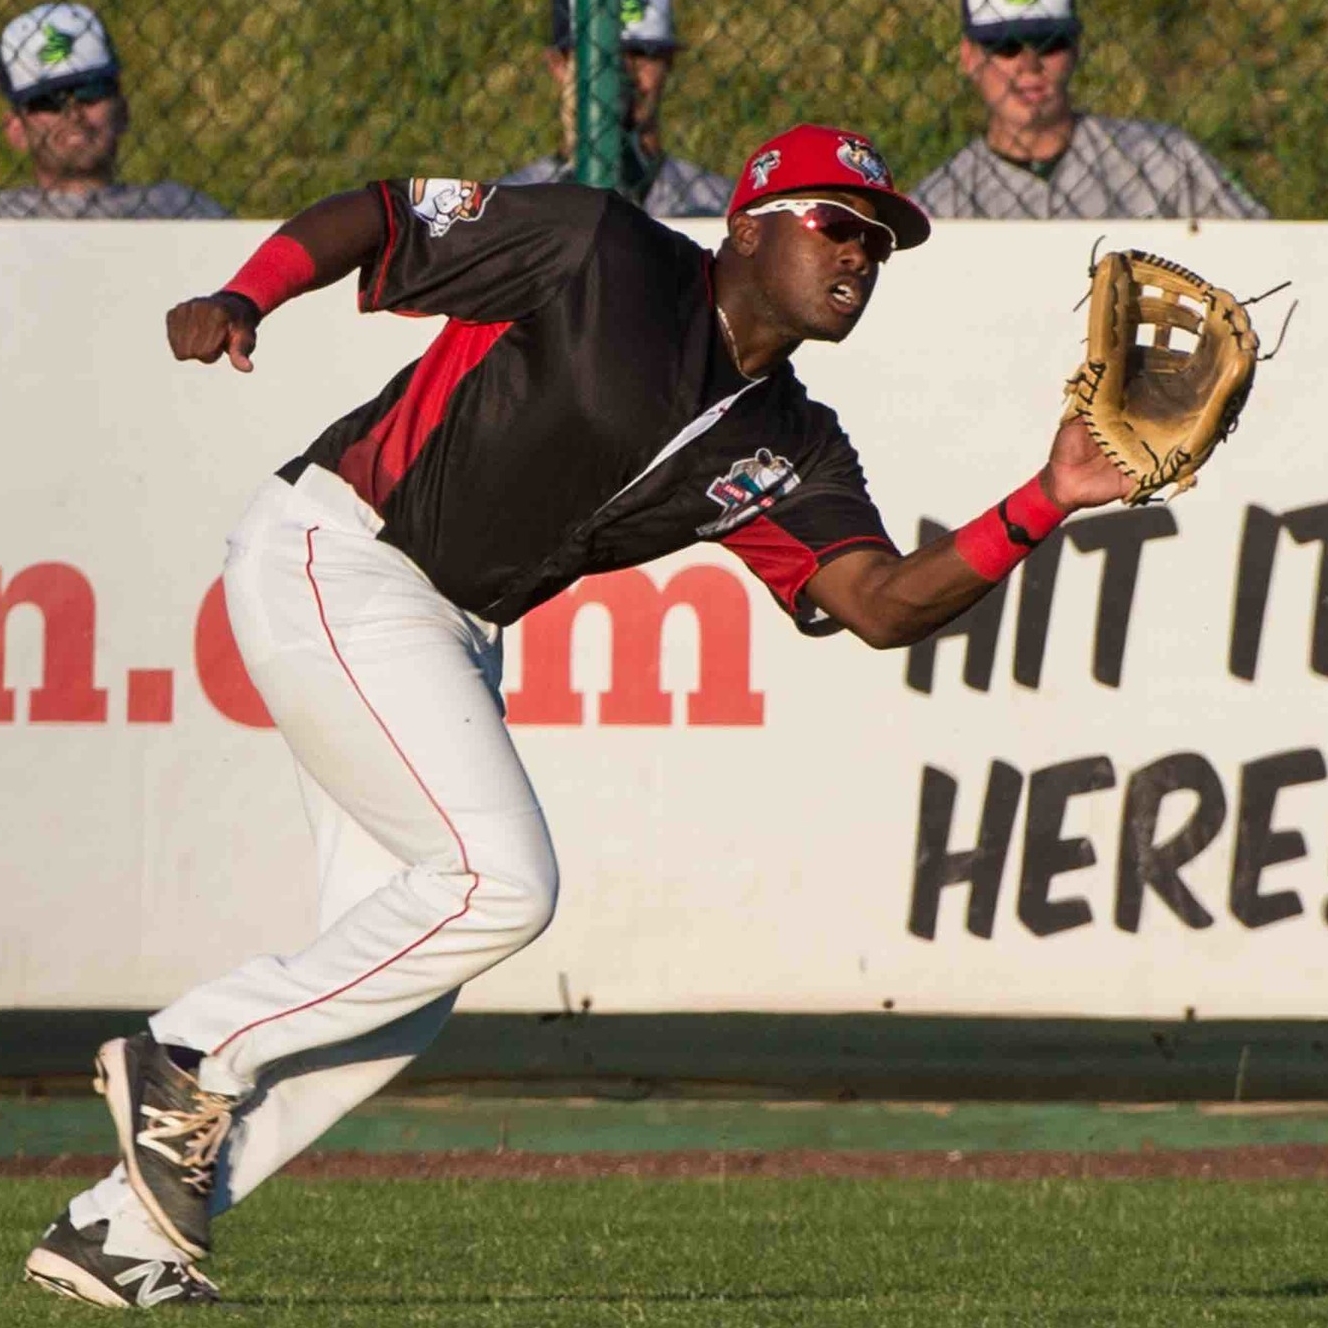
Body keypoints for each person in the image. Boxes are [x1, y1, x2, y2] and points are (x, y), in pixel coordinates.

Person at [23, 121, 1130, 1308]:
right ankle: (186, 1050)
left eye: (879, 241)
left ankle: (116, 1229)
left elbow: (878, 600)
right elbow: (385, 214)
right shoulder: (604, 250)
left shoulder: (792, 443)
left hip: (445, 626)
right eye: (838, 224)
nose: (861, 253)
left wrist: (1045, 495)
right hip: (338, 555)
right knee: (503, 883)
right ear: (749, 224)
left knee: (409, 987)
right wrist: (248, 294)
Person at [912, 0, 1269, 220]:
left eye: (1049, 43)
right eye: (1006, 47)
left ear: (1075, 50)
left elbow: (1260, 249)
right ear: (970, 57)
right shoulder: (938, 204)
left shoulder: (1166, 159)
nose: (1029, 64)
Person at [499, 0, 731, 218]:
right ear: (558, 64)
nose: (623, 77)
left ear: (668, 61)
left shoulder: (720, 204)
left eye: (641, 54)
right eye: (603, 58)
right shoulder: (506, 204)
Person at [0, 2, 226, 219]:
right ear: (16, 129)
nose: (74, 114)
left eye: (90, 92)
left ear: (122, 111)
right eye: (49, 102)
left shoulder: (183, 210)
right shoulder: (7, 216)